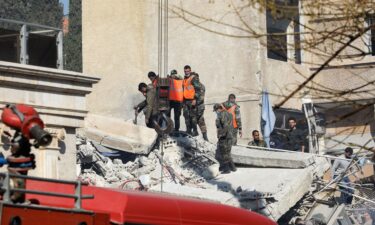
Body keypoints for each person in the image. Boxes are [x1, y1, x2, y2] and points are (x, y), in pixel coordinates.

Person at [213, 103, 236, 174]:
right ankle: (233, 167)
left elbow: (225, 125)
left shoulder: (221, 114)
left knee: (224, 152)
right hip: (230, 136)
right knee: (228, 153)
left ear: (218, 109)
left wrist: (221, 135)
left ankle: (227, 169)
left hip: (225, 136)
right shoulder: (229, 114)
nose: (216, 112)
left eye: (216, 110)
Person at [183, 65, 201, 136]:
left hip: (192, 100)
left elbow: (198, 89)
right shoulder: (185, 79)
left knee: (193, 116)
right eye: (185, 71)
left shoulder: (193, 78)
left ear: (190, 71)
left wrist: (195, 99)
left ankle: (195, 131)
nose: (186, 72)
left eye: (187, 71)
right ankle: (188, 130)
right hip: (185, 101)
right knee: (186, 115)